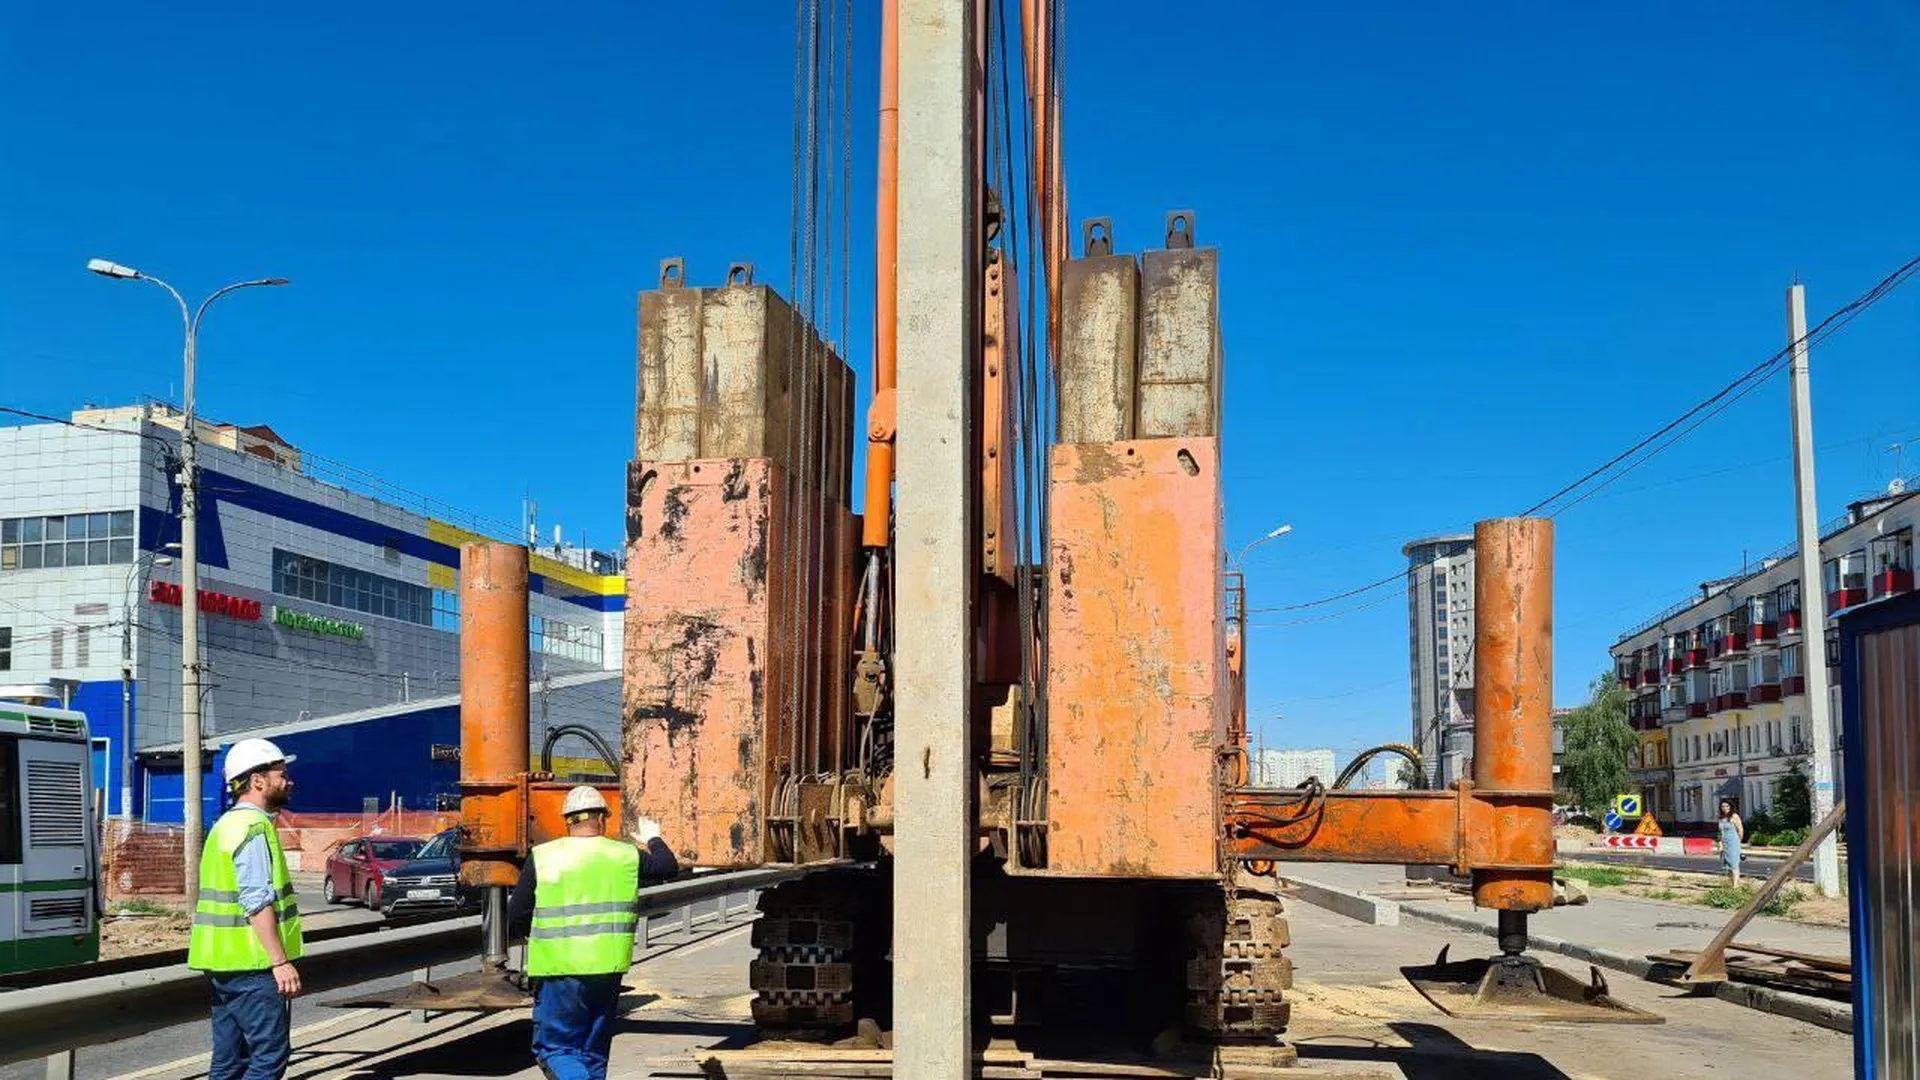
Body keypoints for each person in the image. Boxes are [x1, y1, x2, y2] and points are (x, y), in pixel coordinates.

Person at [507, 786, 677, 1080]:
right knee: (592, 1050)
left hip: (558, 969)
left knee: (557, 1050)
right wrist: (652, 837)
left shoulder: (544, 857)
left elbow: (517, 916)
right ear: (603, 819)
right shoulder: (624, 855)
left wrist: (529, 938)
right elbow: (667, 866)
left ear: (568, 821)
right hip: (607, 969)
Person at [187, 738, 305, 1080]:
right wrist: (280, 962)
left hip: (221, 964)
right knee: (270, 1055)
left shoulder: (225, 825)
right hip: (252, 965)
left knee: (230, 1059)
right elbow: (257, 901)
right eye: (281, 774)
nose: (288, 781)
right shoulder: (253, 829)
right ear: (258, 780)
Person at [1717, 798, 1745, 886]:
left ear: (1730, 807)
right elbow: (1720, 832)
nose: (1724, 808)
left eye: (1726, 806)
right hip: (1725, 843)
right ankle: (1732, 882)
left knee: (1734, 864)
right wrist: (1720, 843)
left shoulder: (1734, 816)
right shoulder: (1721, 818)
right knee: (1728, 865)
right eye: (1723, 806)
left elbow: (1740, 830)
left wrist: (1738, 841)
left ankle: (1735, 886)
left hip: (1733, 843)